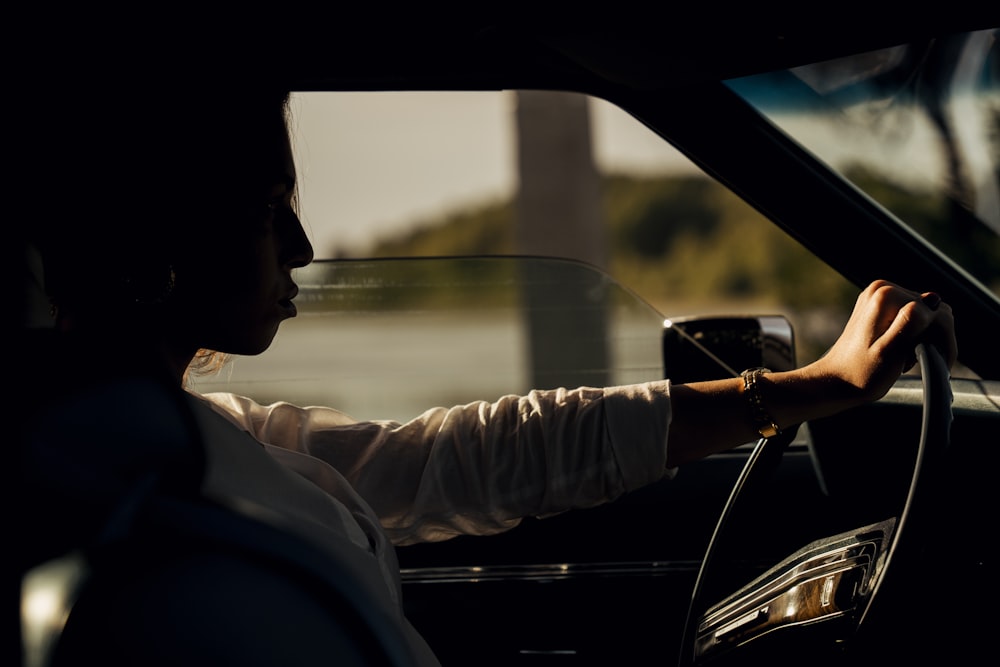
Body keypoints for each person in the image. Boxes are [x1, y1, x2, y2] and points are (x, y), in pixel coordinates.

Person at [23, 78, 956, 666]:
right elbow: (466, 465)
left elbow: (469, 457)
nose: (304, 245)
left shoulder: (207, 437)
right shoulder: (135, 493)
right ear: (156, 245)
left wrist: (816, 388)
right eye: (272, 209)